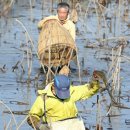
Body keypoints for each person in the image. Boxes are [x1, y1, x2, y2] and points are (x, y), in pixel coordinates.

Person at [27, 71, 104, 130]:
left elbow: (90, 89)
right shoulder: (44, 98)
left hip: (74, 126)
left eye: (65, 92)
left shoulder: (72, 91)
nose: (63, 96)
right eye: (61, 92)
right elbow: (32, 117)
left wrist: (94, 80)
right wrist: (41, 126)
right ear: (53, 87)